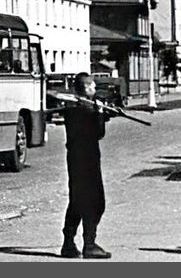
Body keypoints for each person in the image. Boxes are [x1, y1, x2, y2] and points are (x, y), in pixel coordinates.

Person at [59, 72, 111, 259]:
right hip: (85, 159)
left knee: (78, 201)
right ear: (86, 87)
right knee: (95, 202)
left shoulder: (74, 108)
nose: (95, 89)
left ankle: (68, 244)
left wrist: (101, 113)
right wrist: (99, 114)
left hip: (78, 159)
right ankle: (89, 244)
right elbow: (97, 133)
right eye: (92, 86)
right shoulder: (77, 109)